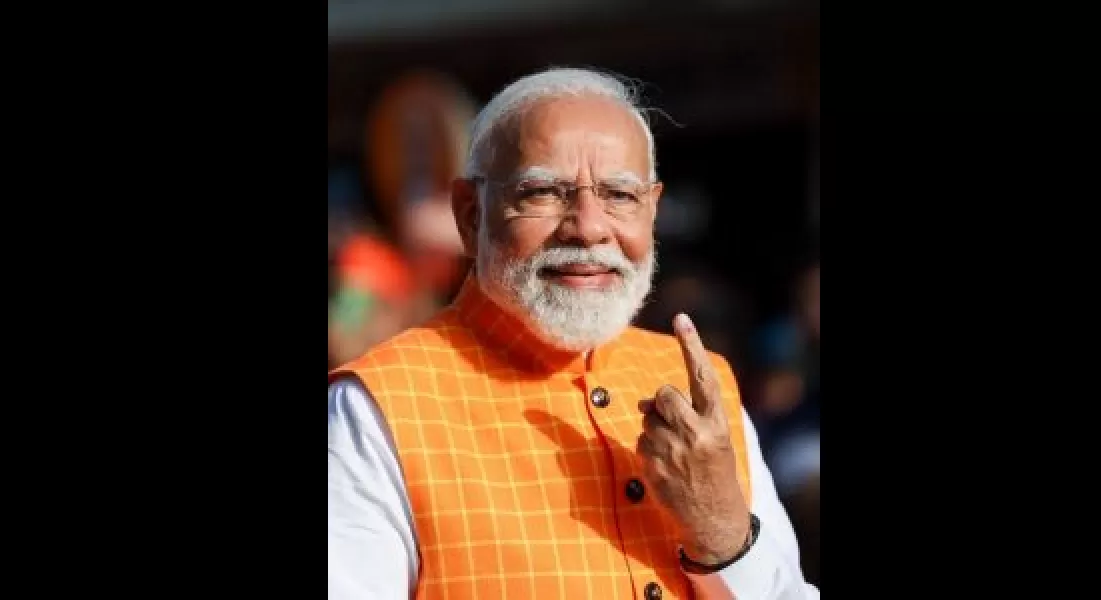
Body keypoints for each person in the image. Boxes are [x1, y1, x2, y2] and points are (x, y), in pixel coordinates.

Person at [328, 68, 820, 600]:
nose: (588, 227)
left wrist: (722, 531)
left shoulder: (701, 387)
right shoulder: (382, 406)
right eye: (542, 192)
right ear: (470, 215)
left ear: (652, 210)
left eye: (619, 195)